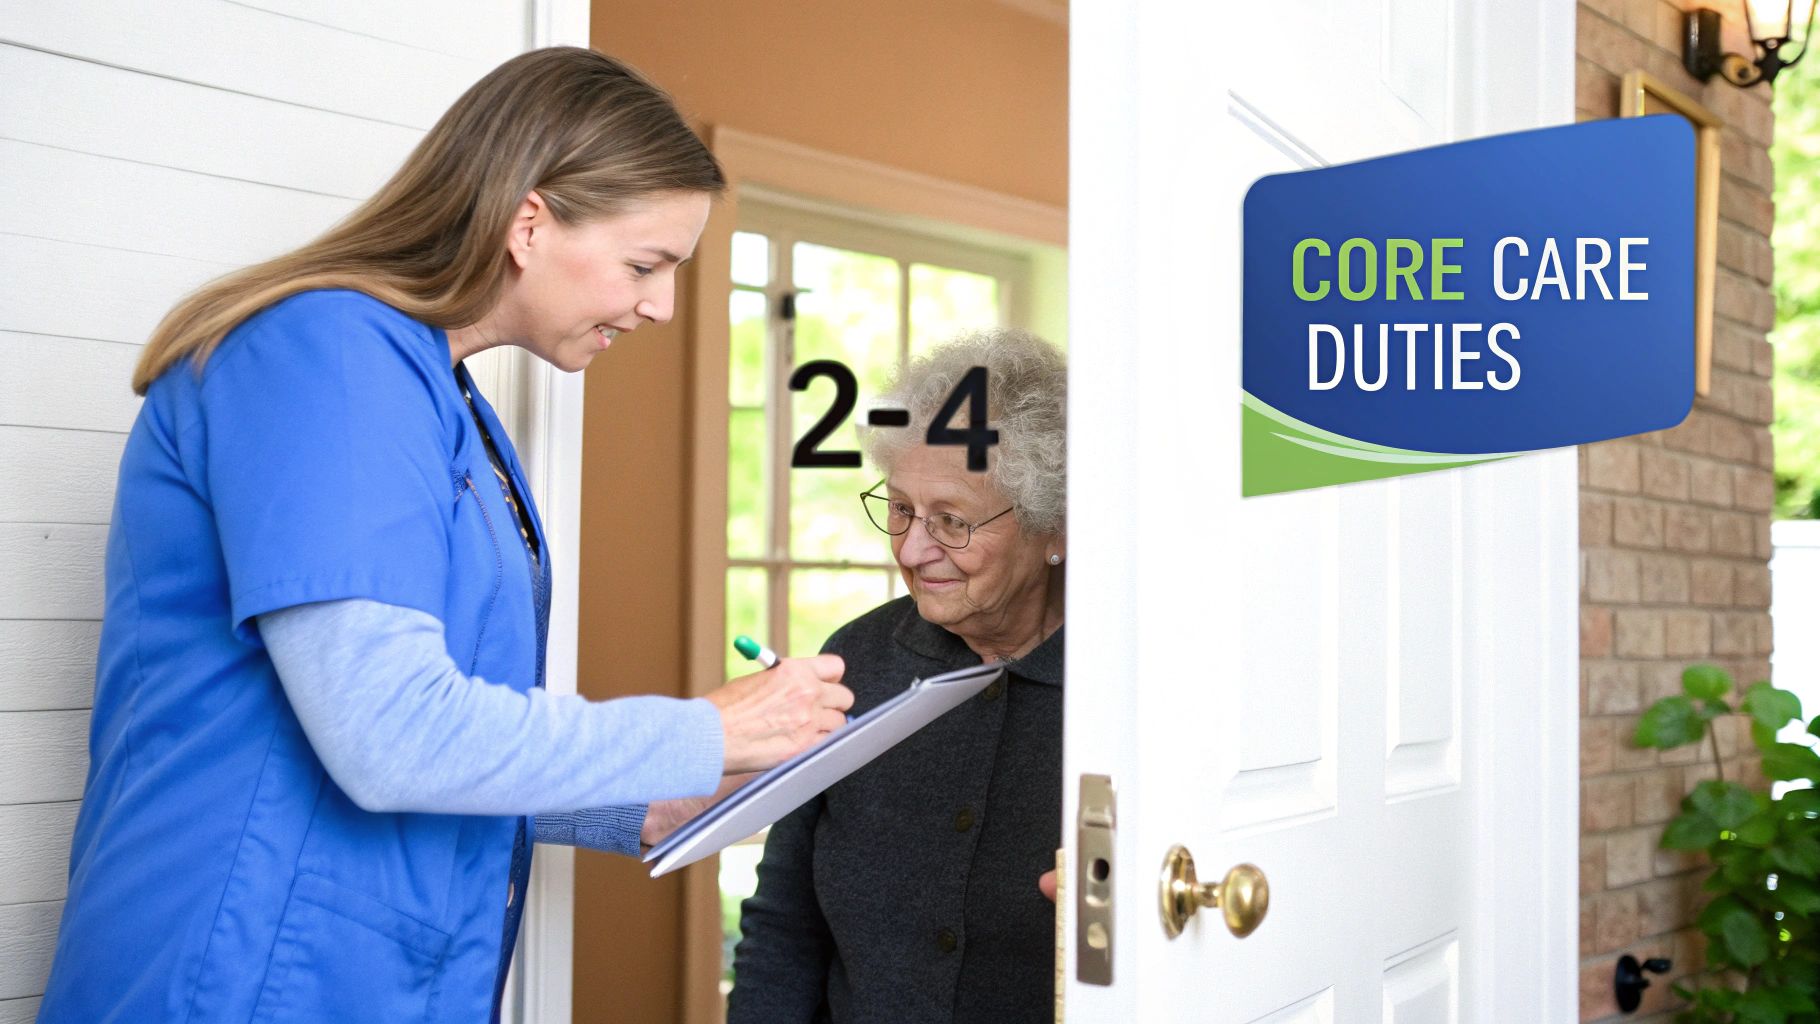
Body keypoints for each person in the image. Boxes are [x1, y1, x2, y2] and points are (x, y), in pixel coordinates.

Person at [37, 47, 851, 1024]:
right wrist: (711, 727)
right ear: (528, 220)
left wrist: (638, 800)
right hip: (239, 969)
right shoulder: (325, 355)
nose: (660, 306)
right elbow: (389, 733)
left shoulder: (437, 396)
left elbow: (395, 719)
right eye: (646, 264)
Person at [727, 328, 1067, 1024]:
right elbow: (785, 925)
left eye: (952, 521)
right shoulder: (859, 660)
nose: (911, 549)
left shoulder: (1132, 688)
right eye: (901, 508)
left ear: (1055, 528)